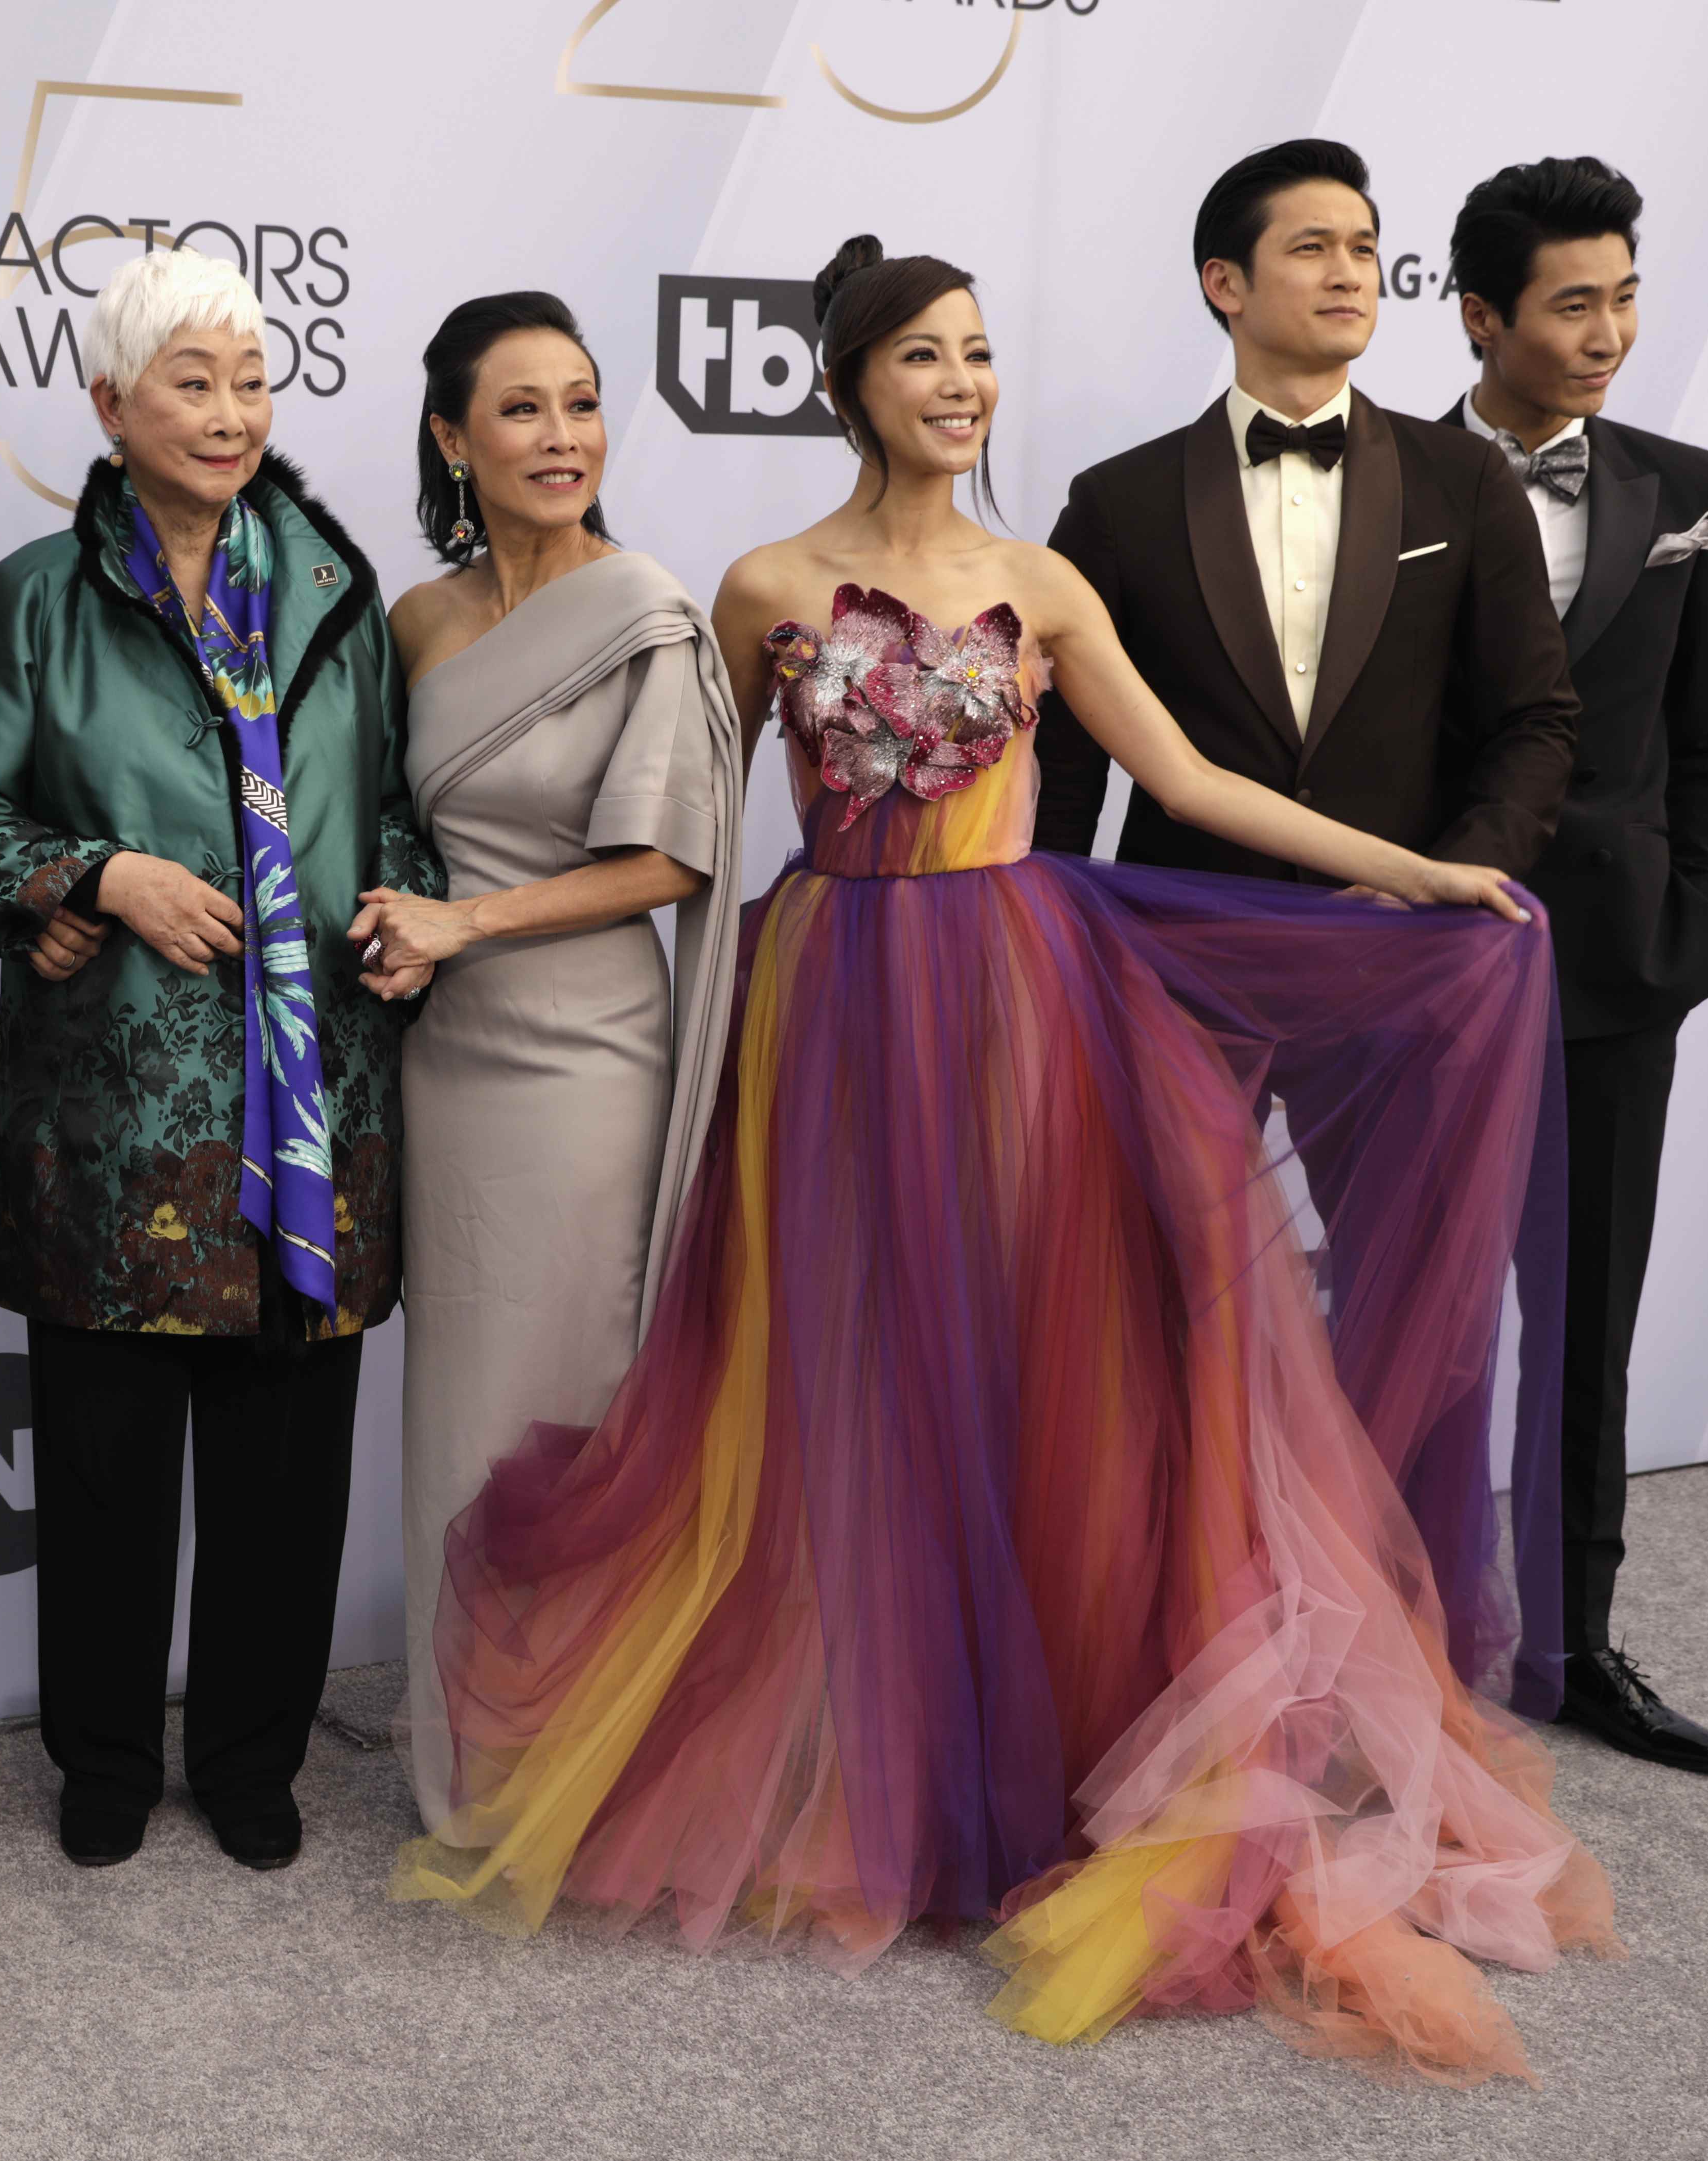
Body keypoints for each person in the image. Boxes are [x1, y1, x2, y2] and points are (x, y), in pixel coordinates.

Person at [390, 238, 1616, 2088]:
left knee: (1036, 1378)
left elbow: (1189, 785)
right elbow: (681, 828)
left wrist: (1419, 871)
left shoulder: (1042, 584)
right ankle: (862, 1758)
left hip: (1016, 995)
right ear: (849, 385)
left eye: (976, 355)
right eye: (923, 358)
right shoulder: (761, 585)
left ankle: (1030, 1762)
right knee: (842, 1382)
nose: (961, 385)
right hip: (827, 1003)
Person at [1029, 140, 1582, 1676]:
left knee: (1415, 1314)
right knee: (1156, 1305)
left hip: (1404, 969)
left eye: (1364, 246)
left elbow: (1536, 722)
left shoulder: (1463, 479)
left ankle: (1388, 1656)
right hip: (1178, 968)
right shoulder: (1118, 504)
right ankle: (1155, 1635)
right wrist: (1041, 956)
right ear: (1226, 284)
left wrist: (1441, 882)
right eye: (1313, 249)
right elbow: (1064, 773)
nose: (1352, 275)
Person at [0, 247, 442, 1874]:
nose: (230, 415)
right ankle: (100, 1753)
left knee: (288, 1462)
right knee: (103, 1456)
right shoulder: (38, 593)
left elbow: (396, 813)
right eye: (191, 382)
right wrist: (96, 878)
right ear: (110, 404)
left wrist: (402, 907)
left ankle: (250, 1756)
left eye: (250, 381)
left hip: (316, 1092)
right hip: (119, 1098)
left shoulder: (337, 593)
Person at [357, 292, 742, 1827]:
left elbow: (673, 861)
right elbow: (385, 830)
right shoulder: (416, 620)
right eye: (522, 409)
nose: (563, 435)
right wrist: (403, 929)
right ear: (453, 439)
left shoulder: (646, 608)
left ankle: (584, 1756)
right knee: (464, 1394)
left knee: (576, 1395)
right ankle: (471, 1746)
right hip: (448, 1057)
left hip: (590, 1055)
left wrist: (467, 922)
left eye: (581, 403)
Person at [1442, 156, 1708, 1775]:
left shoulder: (1685, 481)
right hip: (1428, 972)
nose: (1611, 333)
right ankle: (1392, 1642)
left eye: (1626, 298)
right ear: (1481, 317)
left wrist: (1695, 928)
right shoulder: (1389, 478)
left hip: (1622, 973)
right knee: (1413, 1323)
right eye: (1575, 305)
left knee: (1587, 1330)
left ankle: (1573, 1646)